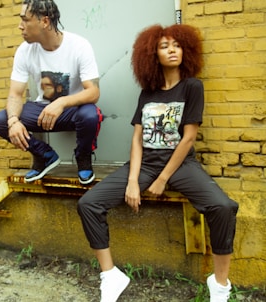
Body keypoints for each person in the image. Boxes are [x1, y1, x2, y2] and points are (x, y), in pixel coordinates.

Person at [77, 24, 239, 302]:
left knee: (223, 207)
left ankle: (220, 283)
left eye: (176, 45)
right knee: (88, 203)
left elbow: (188, 139)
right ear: (153, 54)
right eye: (164, 46)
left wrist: (163, 179)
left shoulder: (192, 87)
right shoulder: (147, 93)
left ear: (185, 50)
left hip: (180, 165)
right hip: (145, 165)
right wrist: (132, 181)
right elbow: (138, 139)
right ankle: (111, 275)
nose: (172, 50)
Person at [0, 0, 103, 185]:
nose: (20, 26)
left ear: (44, 21)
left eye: (25, 20)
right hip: (41, 112)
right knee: (0, 120)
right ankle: (44, 155)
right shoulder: (24, 51)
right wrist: (13, 122)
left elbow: (93, 92)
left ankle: (83, 158)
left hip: (70, 112)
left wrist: (61, 102)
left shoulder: (79, 45)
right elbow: (15, 95)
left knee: (91, 114)